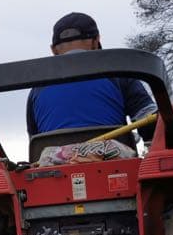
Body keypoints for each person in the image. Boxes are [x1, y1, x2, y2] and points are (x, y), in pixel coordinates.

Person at [26, 12, 156, 155]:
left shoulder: (36, 90)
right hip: (114, 164)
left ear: (53, 49)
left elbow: (35, 140)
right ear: (96, 40)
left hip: (55, 167)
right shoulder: (120, 73)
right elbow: (151, 125)